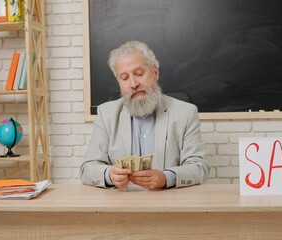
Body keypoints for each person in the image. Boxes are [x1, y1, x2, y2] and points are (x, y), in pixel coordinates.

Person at [80, 40, 209, 190]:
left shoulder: (186, 113)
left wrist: (166, 178)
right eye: (125, 78)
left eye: (139, 74)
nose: (133, 83)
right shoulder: (106, 114)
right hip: (121, 206)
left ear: (155, 73)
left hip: (169, 206)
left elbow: (200, 168)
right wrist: (109, 175)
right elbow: (87, 169)